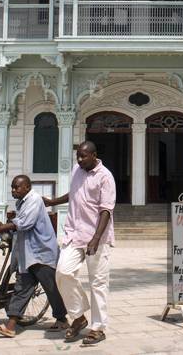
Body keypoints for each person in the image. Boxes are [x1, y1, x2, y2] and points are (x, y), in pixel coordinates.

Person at [44, 141, 115, 346]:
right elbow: (74, 194)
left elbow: (106, 210)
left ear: (94, 155)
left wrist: (95, 239)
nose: (80, 160)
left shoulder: (105, 177)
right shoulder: (77, 170)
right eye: (78, 156)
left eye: (84, 156)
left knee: (98, 283)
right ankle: (79, 316)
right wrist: (53, 202)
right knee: (63, 273)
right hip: (74, 234)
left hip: (96, 238)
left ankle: (98, 328)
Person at [0, 174, 68, 338]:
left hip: (41, 253)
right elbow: (19, 220)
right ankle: (10, 326)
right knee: (22, 289)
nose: (13, 190)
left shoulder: (34, 200)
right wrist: (2, 226)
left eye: (17, 187)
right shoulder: (22, 202)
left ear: (27, 187)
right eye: (12, 187)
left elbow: (25, 222)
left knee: (51, 288)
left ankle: (63, 319)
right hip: (28, 254)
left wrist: (1, 229)